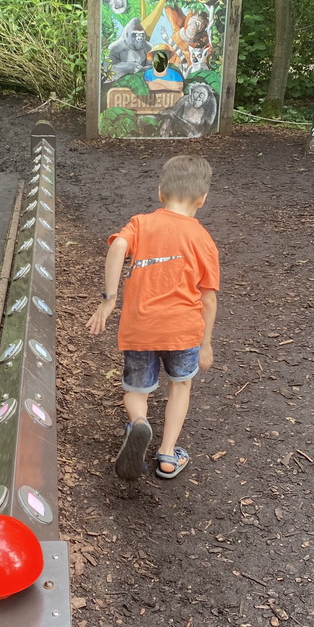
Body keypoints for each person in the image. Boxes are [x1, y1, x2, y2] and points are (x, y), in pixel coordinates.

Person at [86, 155, 219, 480]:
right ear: (202, 199)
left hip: (140, 327)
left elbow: (118, 246)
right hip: (183, 331)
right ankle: (167, 455)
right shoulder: (203, 239)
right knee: (181, 386)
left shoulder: (140, 224)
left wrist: (109, 299)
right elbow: (208, 299)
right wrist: (206, 344)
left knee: (137, 390)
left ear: (161, 192)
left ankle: (140, 423)